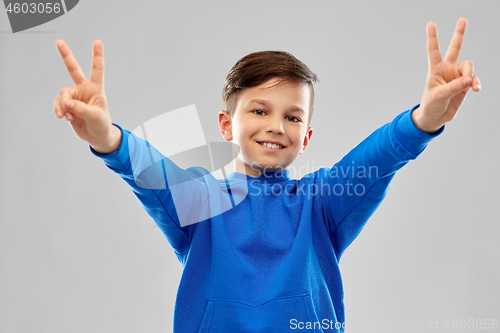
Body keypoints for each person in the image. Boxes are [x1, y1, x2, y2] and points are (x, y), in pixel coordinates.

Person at [53, 18, 480, 333]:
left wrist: (423, 119)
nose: (276, 125)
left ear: (306, 136)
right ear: (226, 125)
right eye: (259, 110)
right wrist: (108, 137)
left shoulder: (321, 202)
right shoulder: (198, 202)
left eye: (292, 116)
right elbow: (147, 170)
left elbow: (377, 158)